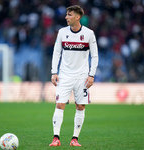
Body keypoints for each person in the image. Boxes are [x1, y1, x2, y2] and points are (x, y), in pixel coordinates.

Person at [49, 5, 99, 147]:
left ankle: (74, 139)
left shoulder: (89, 34)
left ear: (78, 17)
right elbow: (56, 52)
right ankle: (56, 138)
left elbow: (95, 56)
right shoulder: (62, 32)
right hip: (64, 76)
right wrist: (54, 71)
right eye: (66, 14)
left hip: (82, 77)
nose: (66, 17)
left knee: (80, 106)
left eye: (69, 15)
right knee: (59, 104)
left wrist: (91, 75)